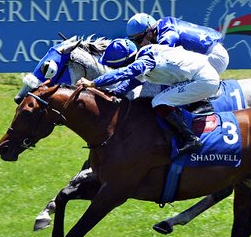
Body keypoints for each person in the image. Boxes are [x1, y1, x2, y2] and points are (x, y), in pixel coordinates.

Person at [79, 38, 220, 154]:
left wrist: (94, 83)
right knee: (162, 100)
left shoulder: (144, 61)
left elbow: (124, 73)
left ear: (124, 61)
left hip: (204, 81)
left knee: (159, 101)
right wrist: (115, 93)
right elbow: (132, 81)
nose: (114, 69)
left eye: (114, 67)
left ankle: (190, 139)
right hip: (201, 76)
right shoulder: (144, 56)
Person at [126, 13, 229, 76]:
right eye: (135, 41)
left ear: (149, 33)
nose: (140, 44)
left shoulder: (168, 36)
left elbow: (160, 61)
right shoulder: (161, 26)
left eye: (139, 39)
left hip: (215, 57)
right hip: (210, 51)